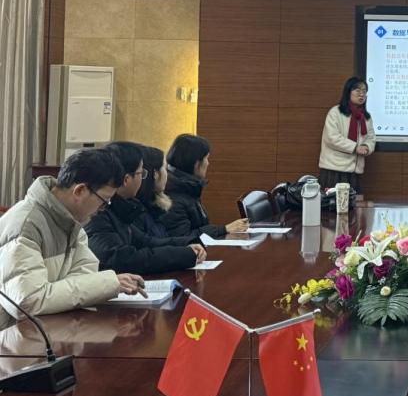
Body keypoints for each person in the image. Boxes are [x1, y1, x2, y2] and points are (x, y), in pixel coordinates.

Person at [0, 148, 145, 329]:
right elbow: (27, 302)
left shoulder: (71, 222)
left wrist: (58, 294)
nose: (103, 209)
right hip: (11, 336)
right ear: (80, 190)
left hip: (47, 329)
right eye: (103, 201)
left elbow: (85, 274)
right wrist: (109, 283)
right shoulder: (25, 226)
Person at [85, 141, 207, 274]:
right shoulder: (98, 212)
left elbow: (146, 242)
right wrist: (184, 254)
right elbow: (120, 259)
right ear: (126, 179)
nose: (143, 179)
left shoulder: (121, 208)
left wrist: (187, 246)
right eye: (141, 173)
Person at [161, 134, 248, 239]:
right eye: (206, 158)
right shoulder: (173, 196)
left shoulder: (188, 187)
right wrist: (223, 229)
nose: (208, 163)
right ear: (196, 164)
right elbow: (183, 239)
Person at [319, 76, 376, 197]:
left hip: (355, 171)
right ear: (348, 92)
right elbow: (331, 138)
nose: (362, 94)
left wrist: (366, 147)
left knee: (355, 205)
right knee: (331, 206)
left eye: (364, 91)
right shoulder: (336, 112)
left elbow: (371, 138)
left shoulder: (366, 117)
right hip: (334, 169)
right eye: (358, 90)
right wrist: (355, 147)